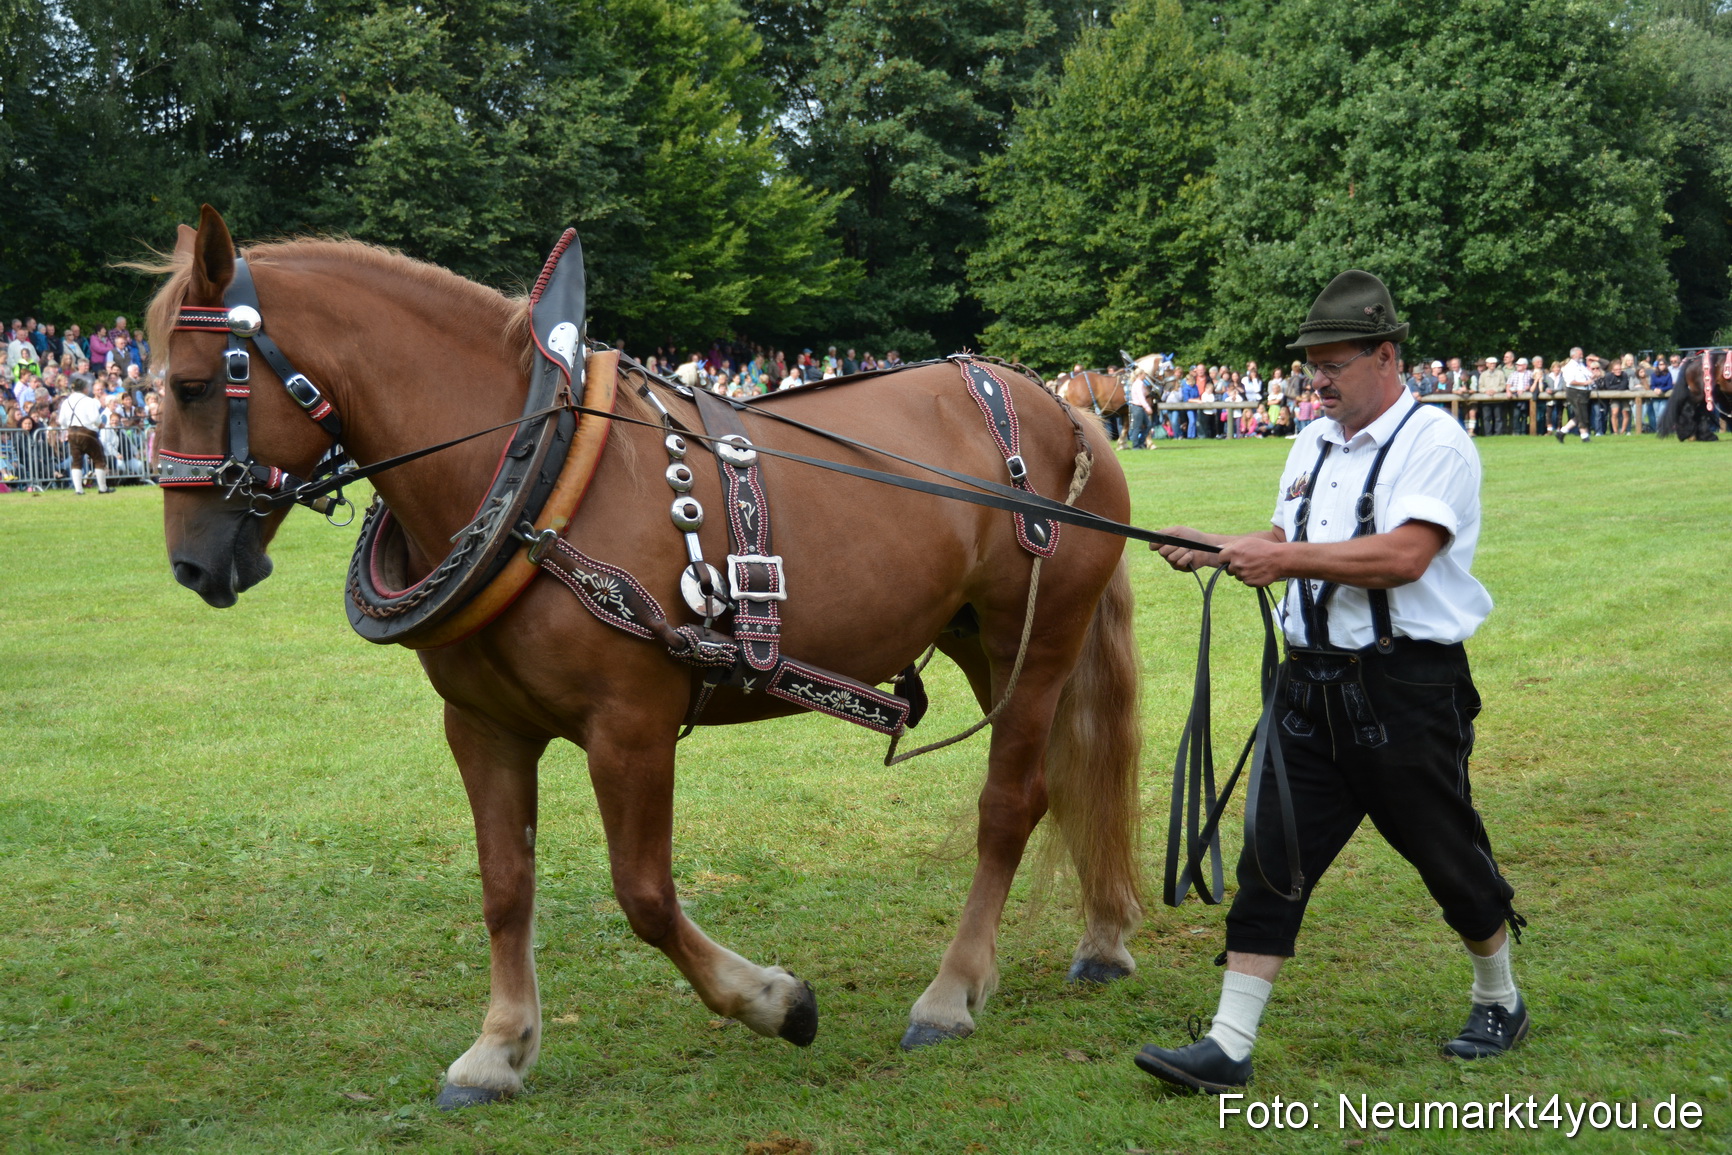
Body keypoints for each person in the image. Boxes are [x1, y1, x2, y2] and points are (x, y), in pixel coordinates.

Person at [1135, 270, 1525, 1093]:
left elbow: (1405, 555)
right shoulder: (1311, 441)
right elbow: (1287, 539)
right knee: (1272, 855)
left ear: (1386, 356)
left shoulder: (1435, 442)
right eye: (1311, 364)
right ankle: (1228, 1044)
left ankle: (1500, 996)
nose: (1316, 379)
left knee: (1444, 853)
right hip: (1307, 688)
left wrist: (1279, 559)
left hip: (1406, 689)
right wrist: (1218, 546)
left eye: (1333, 363)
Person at [57, 375, 110, 494]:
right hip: (87, 433)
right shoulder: (89, 401)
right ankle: (102, 488)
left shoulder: (66, 402)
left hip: (72, 433)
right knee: (98, 459)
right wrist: (100, 424)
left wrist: (66, 428)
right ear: (84, 389)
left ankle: (79, 490)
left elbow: (61, 421)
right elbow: (94, 418)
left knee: (76, 461)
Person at [1555, 347, 1594, 443]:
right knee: (1582, 414)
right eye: (1580, 354)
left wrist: (1593, 376)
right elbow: (1570, 381)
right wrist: (1585, 383)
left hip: (1583, 392)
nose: (1582, 356)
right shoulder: (1570, 367)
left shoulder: (1580, 364)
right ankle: (1585, 437)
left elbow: (1588, 375)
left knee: (1580, 414)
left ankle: (1562, 432)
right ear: (1573, 355)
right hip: (1575, 392)